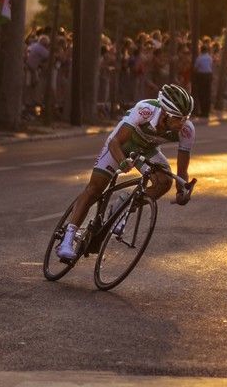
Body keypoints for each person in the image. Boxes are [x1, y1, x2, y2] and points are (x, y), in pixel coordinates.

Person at [56, 84, 196, 262]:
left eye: (186, 118)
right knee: (95, 189)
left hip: (146, 149)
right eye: (178, 118)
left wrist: (181, 191)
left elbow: (182, 171)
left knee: (165, 181)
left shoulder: (187, 130)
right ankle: (68, 238)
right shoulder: (146, 109)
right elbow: (116, 141)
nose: (182, 123)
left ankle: (123, 207)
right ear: (165, 114)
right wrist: (122, 162)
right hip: (122, 144)